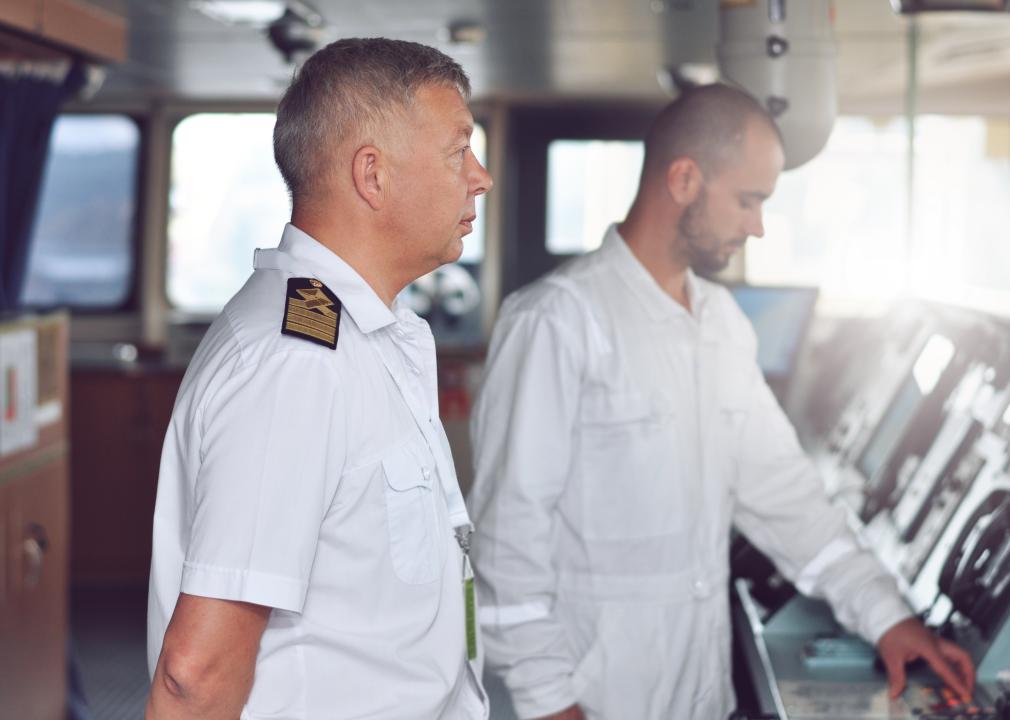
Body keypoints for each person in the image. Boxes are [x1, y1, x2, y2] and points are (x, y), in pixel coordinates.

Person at [467, 84, 974, 720]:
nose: (757, 226)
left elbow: (787, 499)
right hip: (592, 706)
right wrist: (548, 704)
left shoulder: (722, 325)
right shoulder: (556, 321)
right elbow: (504, 551)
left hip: (700, 701)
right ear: (684, 179)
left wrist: (888, 615)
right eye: (747, 200)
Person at [146, 37, 492, 720]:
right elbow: (196, 674)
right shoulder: (296, 363)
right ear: (373, 174)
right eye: (458, 152)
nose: (479, 176)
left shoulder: (358, 338)